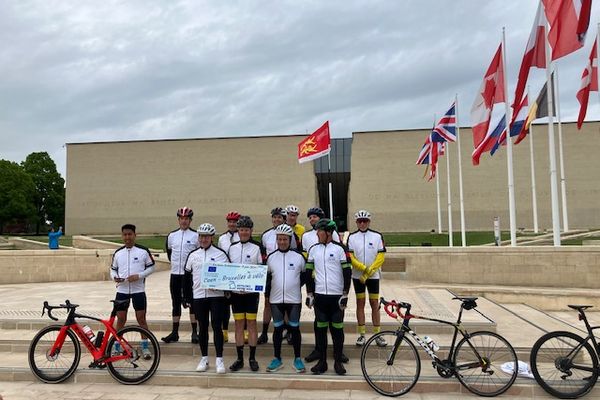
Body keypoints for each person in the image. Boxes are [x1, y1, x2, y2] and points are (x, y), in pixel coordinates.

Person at [305, 218, 351, 375]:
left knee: (337, 330)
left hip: (336, 297)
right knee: (321, 330)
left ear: (329, 233)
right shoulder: (313, 249)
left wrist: (345, 293)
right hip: (320, 297)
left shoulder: (340, 249)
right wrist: (309, 293)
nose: (317, 233)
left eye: (320, 231)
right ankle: (322, 362)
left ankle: (338, 362)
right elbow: (308, 274)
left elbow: (347, 273)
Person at [183, 223, 229, 374]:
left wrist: (222, 286)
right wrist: (187, 297)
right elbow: (187, 278)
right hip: (199, 296)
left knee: (217, 327)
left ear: (212, 238)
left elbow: (228, 276)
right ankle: (204, 358)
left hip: (216, 297)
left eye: (206, 236)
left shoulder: (221, 254)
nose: (203, 239)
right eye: (201, 236)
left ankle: (220, 359)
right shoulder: (193, 255)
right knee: (202, 327)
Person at [302, 207, 344, 364]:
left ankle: (338, 355)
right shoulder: (308, 239)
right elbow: (307, 265)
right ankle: (320, 354)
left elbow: (343, 268)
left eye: (315, 217)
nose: (312, 219)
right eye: (310, 217)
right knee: (319, 325)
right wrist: (309, 292)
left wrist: (345, 292)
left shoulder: (336, 243)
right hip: (318, 289)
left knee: (336, 326)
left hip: (334, 290)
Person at [109, 224, 155, 360]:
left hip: (138, 290)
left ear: (135, 235)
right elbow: (112, 269)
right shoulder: (118, 253)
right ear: (122, 236)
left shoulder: (143, 251)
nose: (127, 237)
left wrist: (139, 276)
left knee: (141, 319)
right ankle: (117, 346)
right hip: (122, 290)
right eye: (125, 235)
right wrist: (114, 277)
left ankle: (145, 347)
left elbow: (152, 268)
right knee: (121, 319)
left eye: (130, 234)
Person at [265, 224, 307, 373]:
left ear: (290, 240)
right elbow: (267, 278)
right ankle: (277, 358)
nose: (282, 242)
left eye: (285, 239)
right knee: (277, 329)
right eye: (279, 239)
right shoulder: (271, 257)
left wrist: (294, 286)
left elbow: (304, 276)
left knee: (295, 328)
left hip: (294, 300)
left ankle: (297, 359)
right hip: (275, 300)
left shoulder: (299, 257)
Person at [227, 216, 265, 372]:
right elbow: (228, 270)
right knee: (238, 325)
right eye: (241, 229)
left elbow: (261, 270)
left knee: (251, 324)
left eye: (246, 230)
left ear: (251, 231)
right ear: (238, 230)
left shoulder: (257, 248)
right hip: (236, 294)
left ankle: (252, 358)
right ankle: (240, 358)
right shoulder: (232, 247)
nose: (244, 232)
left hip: (251, 294)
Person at [258, 207, 300, 345]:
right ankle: (264, 333)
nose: (276, 219)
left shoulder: (290, 234)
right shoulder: (266, 235)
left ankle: (288, 331)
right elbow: (263, 255)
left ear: (284, 219)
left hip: (286, 272)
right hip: (271, 272)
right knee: (267, 304)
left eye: (279, 217)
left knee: (287, 303)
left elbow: (294, 251)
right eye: (274, 217)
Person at [347, 210, 387, 347]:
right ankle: (362, 334)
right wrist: (364, 269)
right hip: (358, 276)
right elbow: (350, 257)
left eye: (365, 221)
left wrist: (369, 271)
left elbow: (381, 256)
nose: (362, 223)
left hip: (373, 275)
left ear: (369, 222)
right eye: (360, 221)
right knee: (360, 303)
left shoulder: (377, 236)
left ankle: (377, 334)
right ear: (356, 223)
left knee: (374, 303)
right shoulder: (352, 237)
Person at [162, 207, 199, 344]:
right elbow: (170, 253)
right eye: (181, 219)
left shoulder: (195, 236)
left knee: (192, 303)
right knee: (175, 303)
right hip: (175, 275)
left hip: (188, 275)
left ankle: (195, 332)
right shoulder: (172, 236)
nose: (184, 221)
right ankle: (175, 332)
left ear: (190, 220)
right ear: (178, 220)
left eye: (186, 219)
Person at [217, 211, 241, 343]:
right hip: (226, 274)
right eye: (230, 221)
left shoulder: (242, 235)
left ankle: (244, 331)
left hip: (238, 274)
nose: (232, 224)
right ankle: (224, 331)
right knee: (224, 306)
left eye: (235, 222)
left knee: (239, 304)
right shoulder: (222, 238)